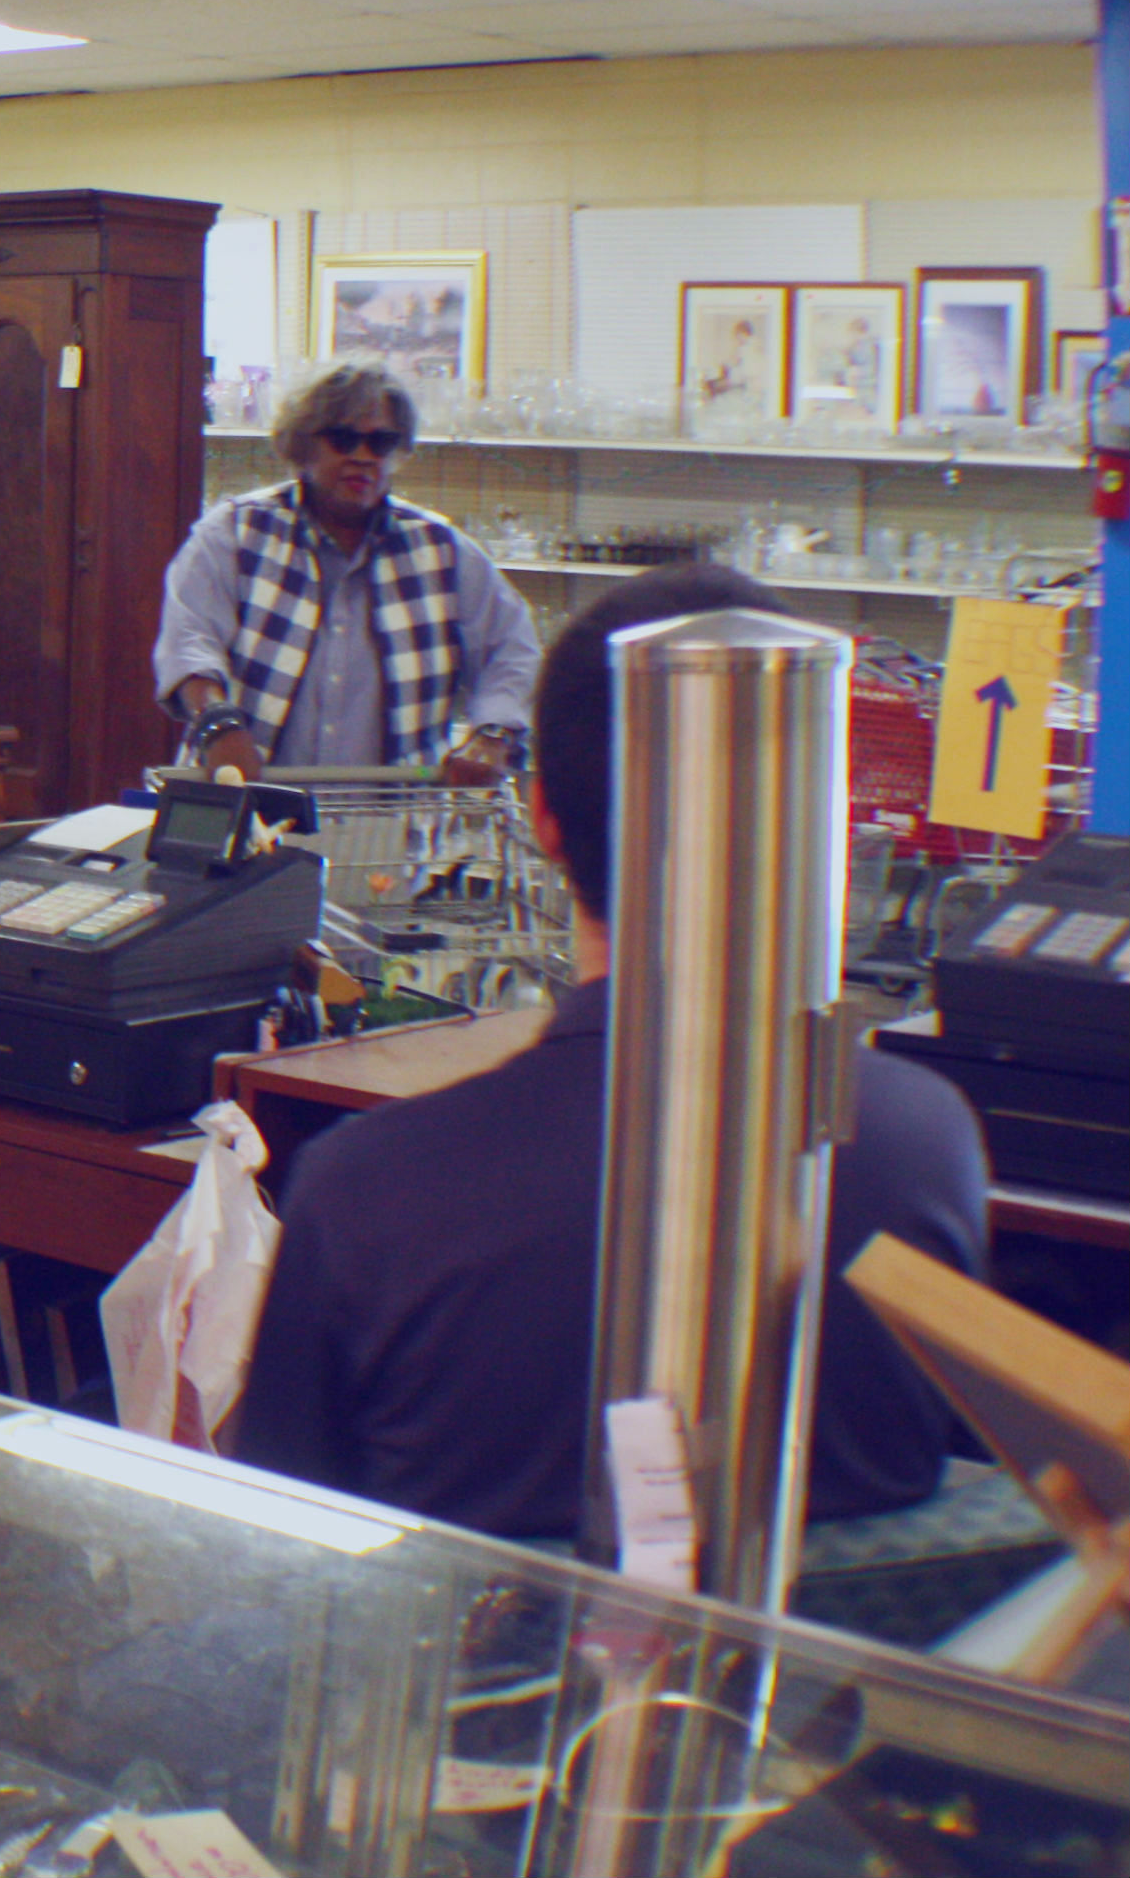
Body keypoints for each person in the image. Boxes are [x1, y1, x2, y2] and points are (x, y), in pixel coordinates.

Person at [227, 562, 987, 1541]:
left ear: (541, 817)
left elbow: (279, 1555)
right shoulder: (927, 1146)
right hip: (826, 1695)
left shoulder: (363, 1191)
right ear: (818, 814)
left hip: (465, 1689)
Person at [156, 359, 540, 785]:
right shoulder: (234, 534)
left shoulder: (442, 550)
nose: (362, 457)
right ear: (303, 446)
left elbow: (513, 649)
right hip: (250, 811)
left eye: (380, 443)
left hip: (389, 829)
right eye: (344, 440)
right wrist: (219, 724)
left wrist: (492, 734)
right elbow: (189, 641)